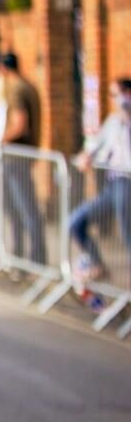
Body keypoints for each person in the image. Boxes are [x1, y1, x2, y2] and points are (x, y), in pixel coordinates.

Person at [0, 53, 46, 264]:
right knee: (17, 207)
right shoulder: (28, 86)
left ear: (2, 69)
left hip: (15, 157)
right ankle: (20, 255)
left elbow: (20, 123)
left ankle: (34, 258)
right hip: (21, 156)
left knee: (23, 208)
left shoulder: (15, 89)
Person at [68, 77, 131, 284]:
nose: (114, 100)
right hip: (113, 185)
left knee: (127, 234)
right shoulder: (113, 122)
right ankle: (96, 264)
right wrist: (86, 157)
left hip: (127, 183)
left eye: (116, 94)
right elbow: (95, 147)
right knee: (76, 222)